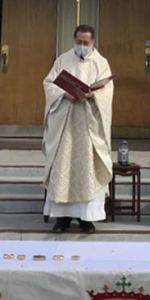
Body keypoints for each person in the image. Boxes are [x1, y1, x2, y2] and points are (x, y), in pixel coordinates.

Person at [42, 24, 114, 234]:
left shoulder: (101, 63)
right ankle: (62, 219)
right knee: (63, 165)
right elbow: (49, 83)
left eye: (86, 42)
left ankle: (86, 218)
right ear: (73, 40)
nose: (82, 46)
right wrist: (64, 94)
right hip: (65, 120)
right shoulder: (63, 60)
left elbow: (107, 89)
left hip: (88, 123)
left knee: (87, 167)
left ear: (93, 42)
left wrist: (93, 95)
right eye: (79, 42)